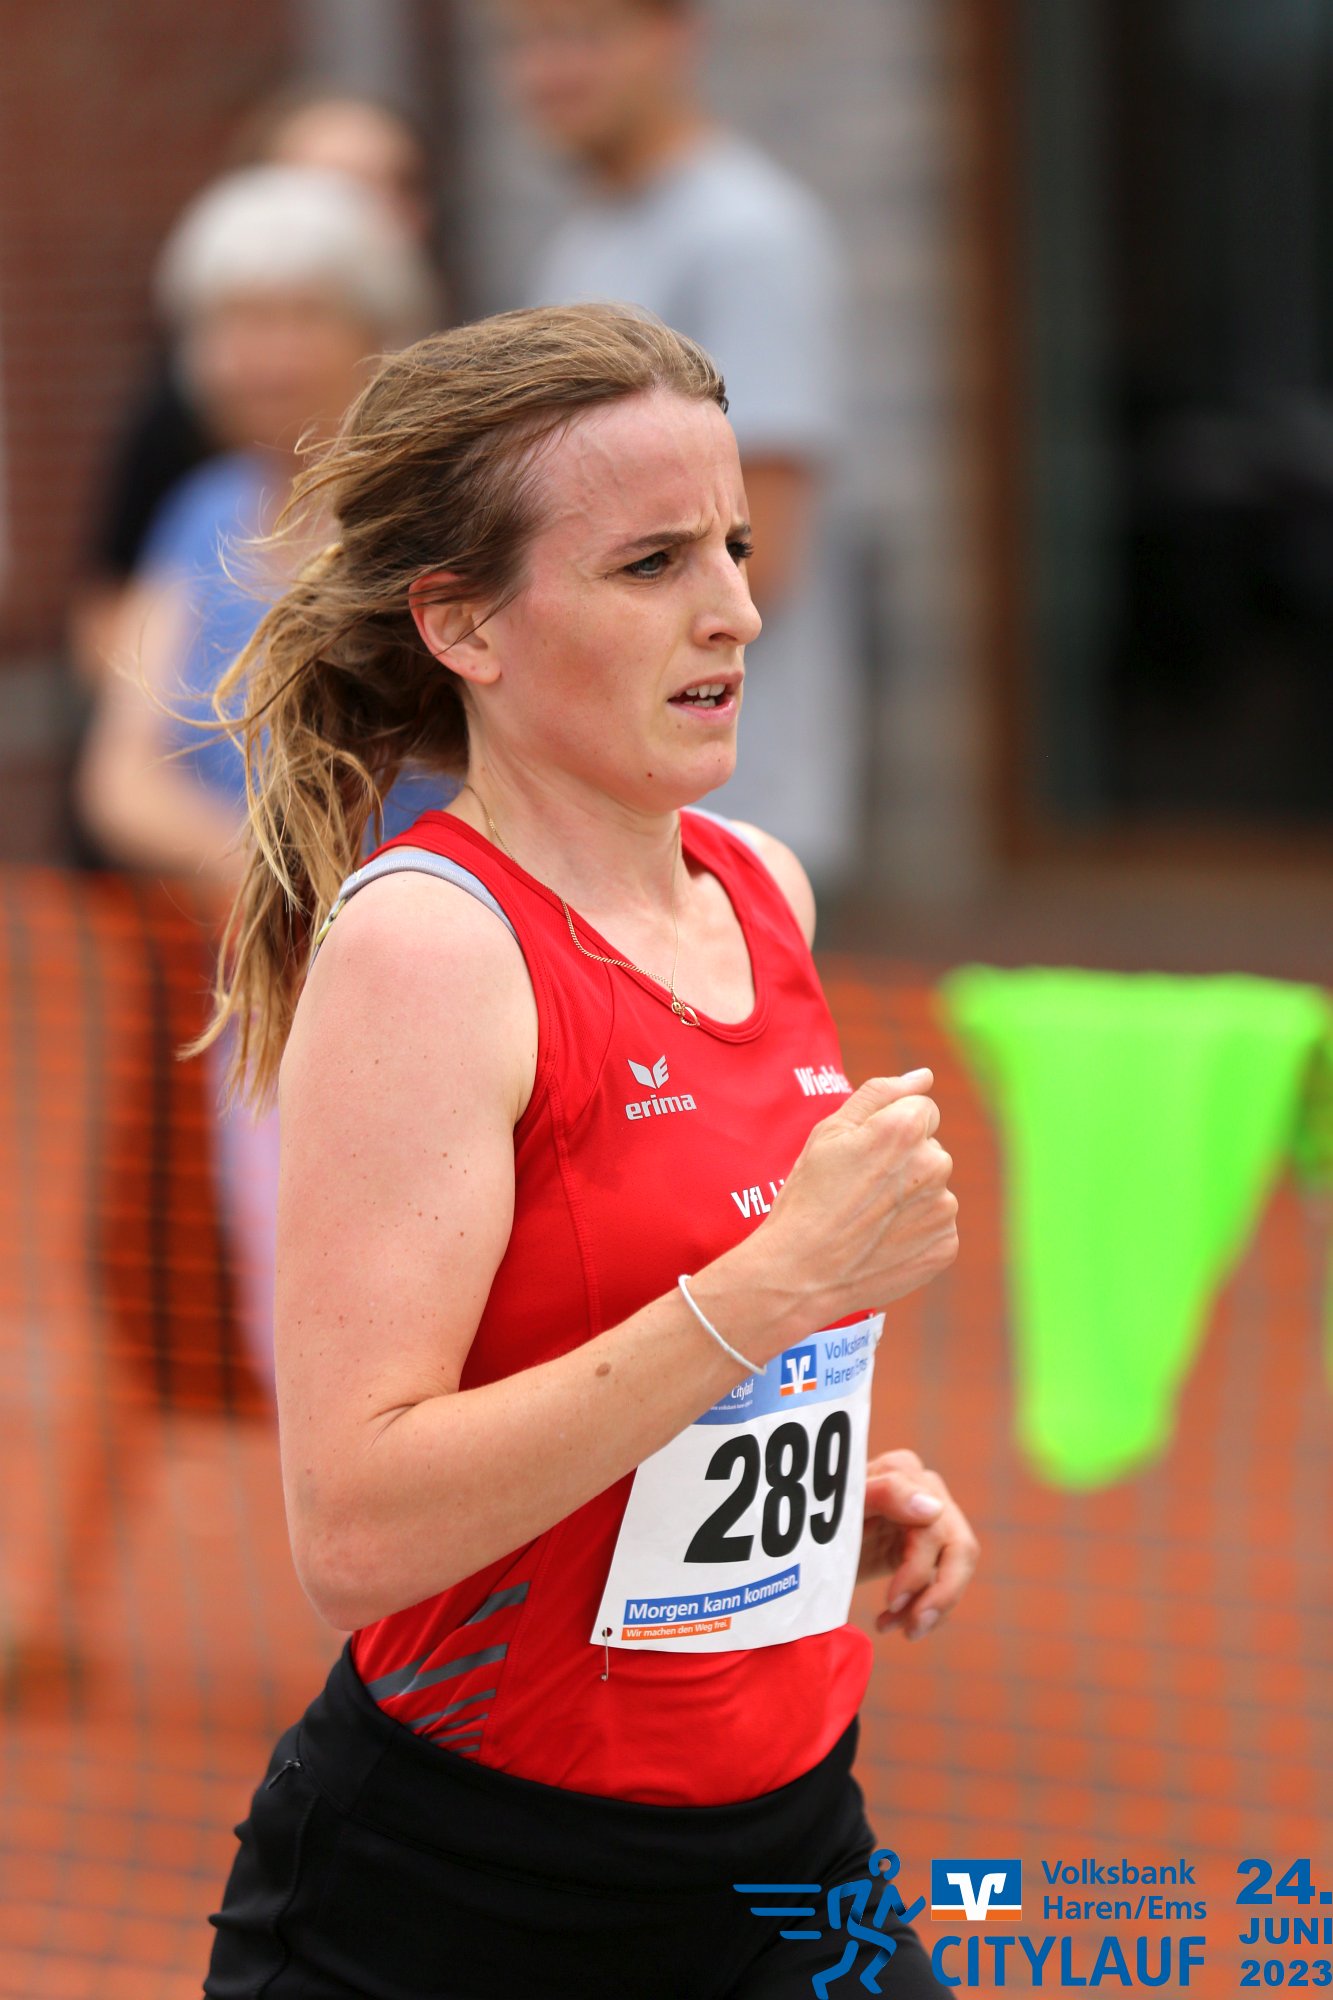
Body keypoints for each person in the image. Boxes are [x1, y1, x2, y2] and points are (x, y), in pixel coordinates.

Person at [198, 303, 972, 1998]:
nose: (736, 610)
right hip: (467, 1900)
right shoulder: (430, 948)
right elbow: (356, 1534)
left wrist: (804, 1500)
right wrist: (777, 1288)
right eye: (649, 563)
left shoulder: (761, 889)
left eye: (733, 547)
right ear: (460, 623)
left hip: (786, 1852)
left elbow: (635, 1358)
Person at [74, 164, 444, 1392]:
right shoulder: (198, 513)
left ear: (373, 330)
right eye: (232, 322)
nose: (259, 355)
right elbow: (119, 772)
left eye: (295, 316)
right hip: (266, 998)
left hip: (440, 985)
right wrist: (258, 876)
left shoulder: (429, 518)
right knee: (301, 1332)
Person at [498, 0, 860, 896]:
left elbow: (764, 543)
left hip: (731, 815)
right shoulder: (585, 238)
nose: (550, 71)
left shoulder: (746, 236)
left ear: (674, 37)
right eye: (529, 41)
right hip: (610, 805)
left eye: (582, 36)